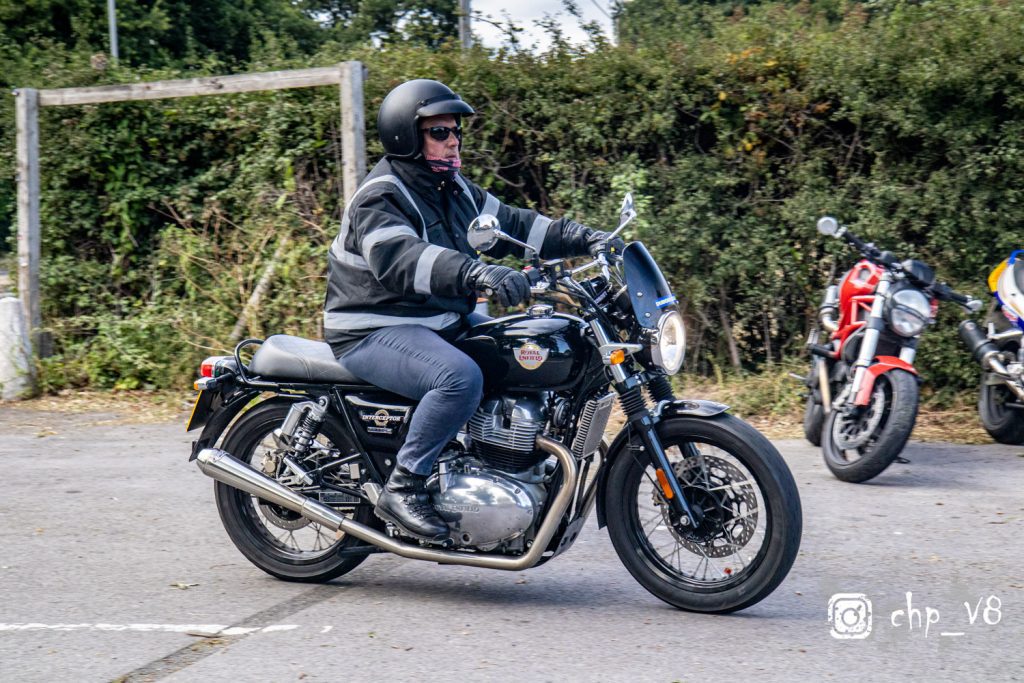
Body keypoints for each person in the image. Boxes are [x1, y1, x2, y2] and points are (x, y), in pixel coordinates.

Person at [324, 79, 623, 541]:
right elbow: (400, 258)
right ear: (408, 136)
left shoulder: (454, 188)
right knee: (459, 378)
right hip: (374, 327)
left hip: (439, 321)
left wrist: (586, 237)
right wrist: (478, 275)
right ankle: (404, 485)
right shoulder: (381, 196)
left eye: (455, 132)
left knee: (519, 348)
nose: (454, 140)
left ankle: (504, 463)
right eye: (440, 132)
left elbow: (515, 224)